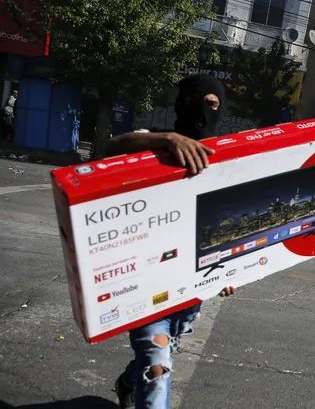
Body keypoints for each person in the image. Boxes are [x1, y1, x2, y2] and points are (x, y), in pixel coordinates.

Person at [106, 74, 236, 409]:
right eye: (196, 101)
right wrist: (168, 139)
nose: (203, 110)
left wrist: (229, 271)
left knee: (169, 345)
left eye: (213, 103)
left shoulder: (227, 158)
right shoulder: (152, 144)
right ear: (181, 104)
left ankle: (127, 381)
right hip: (148, 283)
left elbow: (227, 220)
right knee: (158, 365)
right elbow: (112, 149)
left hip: (193, 285)